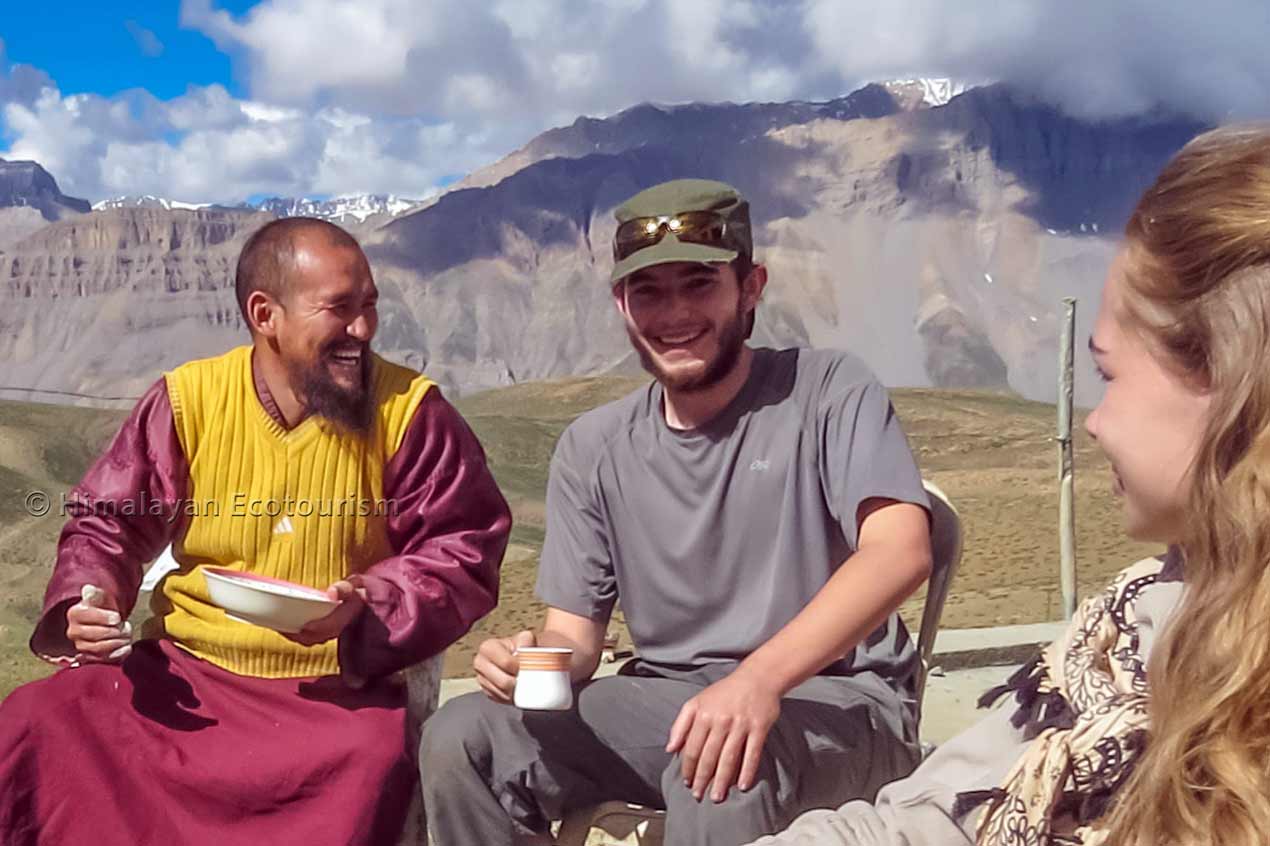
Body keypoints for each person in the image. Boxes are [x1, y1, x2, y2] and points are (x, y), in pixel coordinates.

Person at [746, 125, 1270, 846]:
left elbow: (902, 554)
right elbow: (938, 813)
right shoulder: (1131, 624)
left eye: (1109, 376)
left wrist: (758, 679)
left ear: (1230, 376)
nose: (1095, 423)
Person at [420, 178, 934, 846]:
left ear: (752, 288)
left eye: (699, 284)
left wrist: (759, 680)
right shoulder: (594, 446)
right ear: (621, 305)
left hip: (837, 703)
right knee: (462, 737)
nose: (674, 313)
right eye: (649, 292)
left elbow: (900, 551)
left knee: (718, 766)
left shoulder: (829, 390)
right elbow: (575, 641)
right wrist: (526, 658)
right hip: (671, 707)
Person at [0, 217, 512, 845]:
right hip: (187, 670)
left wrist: (369, 604)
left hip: (333, 690)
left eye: (370, 305)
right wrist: (92, 598)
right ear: (265, 314)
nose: (363, 330)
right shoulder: (189, 399)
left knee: (370, 763)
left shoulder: (411, 414)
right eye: (339, 309)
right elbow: (108, 521)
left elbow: (464, 546)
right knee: (37, 720)